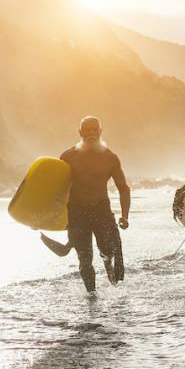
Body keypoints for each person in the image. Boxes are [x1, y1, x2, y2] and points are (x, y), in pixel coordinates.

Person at [49, 116, 130, 294]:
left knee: (109, 249)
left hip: (101, 210)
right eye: (87, 130)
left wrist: (125, 216)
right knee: (84, 259)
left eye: (95, 130)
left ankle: (107, 261)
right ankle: (92, 297)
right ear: (80, 133)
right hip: (77, 213)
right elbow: (56, 190)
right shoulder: (68, 157)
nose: (91, 133)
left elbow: (123, 189)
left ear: (101, 132)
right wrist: (43, 217)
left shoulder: (110, 158)